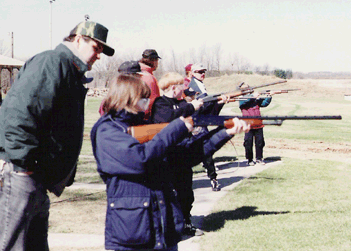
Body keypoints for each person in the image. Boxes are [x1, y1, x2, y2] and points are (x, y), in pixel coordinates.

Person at [91, 74, 249, 250]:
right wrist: (178, 127)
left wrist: (225, 132)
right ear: (128, 99)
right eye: (143, 99)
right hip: (134, 232)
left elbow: (186, 156)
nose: (146, 103)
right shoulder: (107, 130)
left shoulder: (143, 126)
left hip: (165, 227)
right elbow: (140, 159)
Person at [0, 20, 114, 251]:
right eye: (96, 47)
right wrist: (23, 167)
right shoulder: (52, 62)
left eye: (102, 50)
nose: (99, 55)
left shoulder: (68, 69)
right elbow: (18, 116)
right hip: (23, 176)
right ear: (78, 39)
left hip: (36, 179)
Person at [151, 72, 204, 236]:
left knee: (186, 192)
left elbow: (196, 114)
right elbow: (168, 117)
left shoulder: (180, 103)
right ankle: (170, 226)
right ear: (174, 87)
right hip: (167, 155)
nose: (185, 88)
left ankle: (186, 223)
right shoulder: (160, 103)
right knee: (169, 193)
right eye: (182, 86)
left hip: (183, 152)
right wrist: (190, 106)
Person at [185, 63, 228, 191]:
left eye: (204, 71)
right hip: (194, 123)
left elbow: (206, 106)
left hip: (200, 122)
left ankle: (213, 179)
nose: (202, 74)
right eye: (199, 72)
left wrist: (219, 103)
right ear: (192, 73)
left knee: (206, 153)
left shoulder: (200, 85)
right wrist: (217, 102)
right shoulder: (190, 85)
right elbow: (199, 106)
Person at [239, 84, 272, 166]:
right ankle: (249, 159)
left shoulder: (255, 100)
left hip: (258, 124)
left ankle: (259, 158)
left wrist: (269, 96)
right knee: (248, 143)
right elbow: (245, 101)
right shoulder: (241, 99)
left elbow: (264, 103)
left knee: (260, 142)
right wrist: (253, 96)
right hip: (248, 125)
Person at [139, 49, 161, 119]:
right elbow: (152, 102)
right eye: (157, 60)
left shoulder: (135, 72)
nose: (157, 63)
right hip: (145, 118)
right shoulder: (149, 77)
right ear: (154, 60)